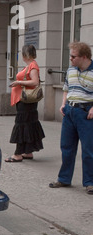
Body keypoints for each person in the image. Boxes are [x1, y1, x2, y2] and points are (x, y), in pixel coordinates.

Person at [49, 41, 93, 195]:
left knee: (88, 150)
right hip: (70, 111)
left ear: (84, 57)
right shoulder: (71, 70)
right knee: (66, 147)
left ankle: (90, 182)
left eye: (73, 56)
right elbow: (66, 89)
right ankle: (64, 179)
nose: (71, 59)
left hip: (85, 113)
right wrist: (63, 104)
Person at [5, 44, 45, 163]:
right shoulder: (30, 66)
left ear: (25, 54)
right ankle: (28, 151)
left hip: (26, 101)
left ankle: (18, 154)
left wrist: (18, 82)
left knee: (21, 124)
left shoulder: (32, 66)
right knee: (28, 124)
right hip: (26, 101)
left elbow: (35, 82)